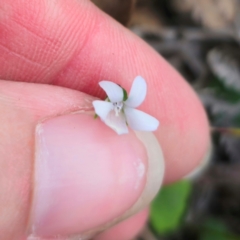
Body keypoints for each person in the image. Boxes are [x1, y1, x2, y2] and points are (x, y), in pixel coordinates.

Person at [0, 0, 210, 239]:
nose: (117, 108)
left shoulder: (125, 108)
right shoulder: (108, 103)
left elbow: (133, 114)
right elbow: (108, 104)